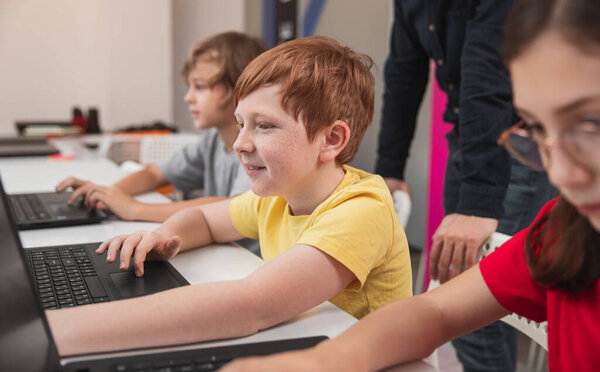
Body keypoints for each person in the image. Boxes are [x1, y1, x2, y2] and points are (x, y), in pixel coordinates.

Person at [220, 0, 600, 371]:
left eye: (591, 125)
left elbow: (485, 87)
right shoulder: (562, 233)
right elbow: (434, 310)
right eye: (535, 130)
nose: (562, 176)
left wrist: (480, 201)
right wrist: (322, 361)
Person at [45, 36, 413, 356]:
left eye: (264, 126)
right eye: (240, 123)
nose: (239, 143)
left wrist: (53, 331)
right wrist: (163, 236)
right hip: (315, 345)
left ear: (331, 140)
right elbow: (206, 220)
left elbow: (252, 306)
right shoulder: (277, 197)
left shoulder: (360, 211)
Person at [375, 1, 557, 370]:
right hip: (470, 141)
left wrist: (478, 203)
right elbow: (403, 72)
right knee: (465, 301)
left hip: (517, 147)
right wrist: (389, 169)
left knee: (476, 315)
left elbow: (486, 76)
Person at [55, 31, 266, 224]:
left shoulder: (257, 148)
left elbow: (235, 209)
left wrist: (135, 209)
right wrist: (107, 194)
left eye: (200, 87)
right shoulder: (212, 139)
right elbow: (155, 174)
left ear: (237, 87)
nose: (188, 97)